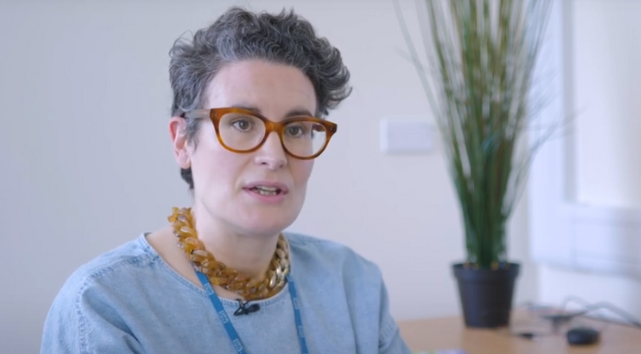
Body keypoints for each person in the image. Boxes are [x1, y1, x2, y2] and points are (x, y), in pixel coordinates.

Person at [40, 6, 412, 354]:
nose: (275, 155)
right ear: (183, 141)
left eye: (296, 128)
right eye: (241, 123)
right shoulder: (105, 306)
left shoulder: (352, 283)